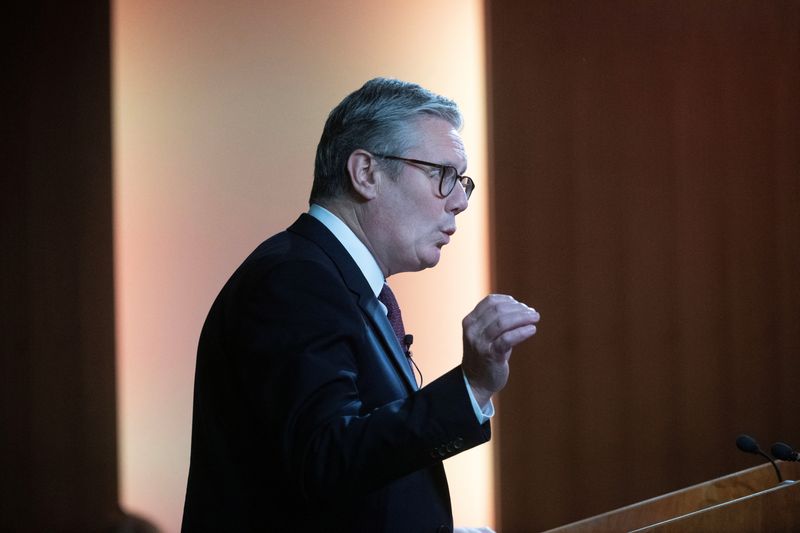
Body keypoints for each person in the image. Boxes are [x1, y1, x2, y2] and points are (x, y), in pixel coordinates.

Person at [181, 78, 540, 533]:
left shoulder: (333, 281)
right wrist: (470, 385)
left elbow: (353, 491)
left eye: (463, 180)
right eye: (442, 175)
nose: (461, 201)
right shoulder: (294, 280)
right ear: (366, 173)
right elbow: (326, 458)